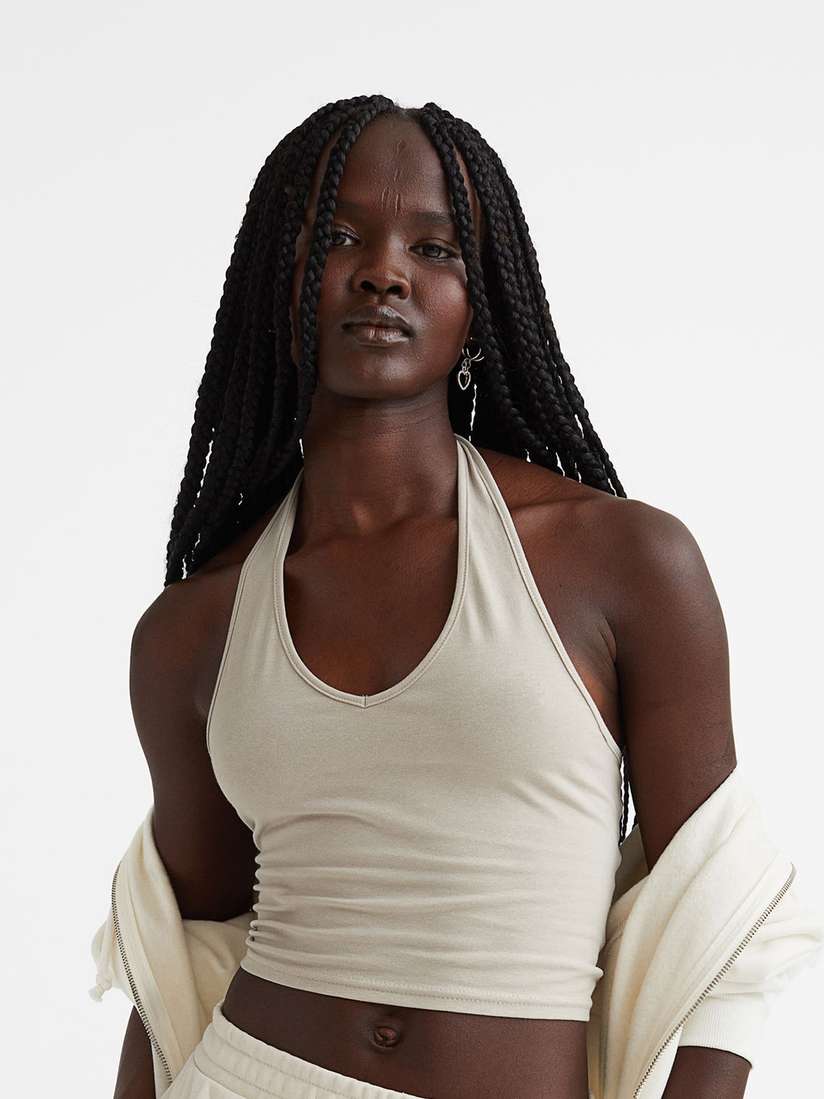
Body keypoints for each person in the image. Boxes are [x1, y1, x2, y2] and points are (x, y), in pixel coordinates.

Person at [114, 95, 778, 1098]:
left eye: (434, 248)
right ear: (276, 279)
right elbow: (184, 954)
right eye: (339, 236)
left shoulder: (620, 560)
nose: (384, 271)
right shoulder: (196, 627)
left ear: (480, 302)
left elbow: (730, 928)